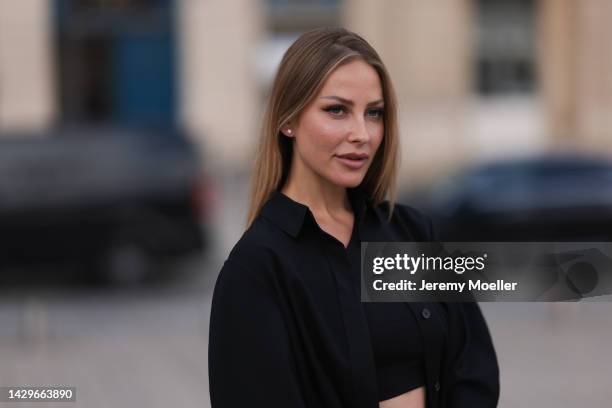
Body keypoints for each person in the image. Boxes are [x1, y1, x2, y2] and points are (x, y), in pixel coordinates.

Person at [208, 27, 499, 408]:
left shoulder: (409, 232)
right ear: (288, 119)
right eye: (337, 110)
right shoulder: (257, 269)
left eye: (374, 113)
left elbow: (473, 365)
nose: (362, 134)